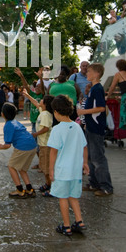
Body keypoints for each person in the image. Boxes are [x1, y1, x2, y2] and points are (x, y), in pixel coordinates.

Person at [48, 95, 89, 237]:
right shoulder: (77, 127)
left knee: (63, 197)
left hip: (62, 171)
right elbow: (84, 146)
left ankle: (66, 226)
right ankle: (79, 221)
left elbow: (53, 152)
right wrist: (85, 163)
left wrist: (50, 169)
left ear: (56, 112)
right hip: (76, 171)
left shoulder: (57, 129)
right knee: (73, 197)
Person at [77, 63, 113, 197]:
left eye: (90, 71)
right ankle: (94, 182)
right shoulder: (93, 88)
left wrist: (83, 111)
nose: (87, 73)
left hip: (96, 127)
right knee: (91, 156)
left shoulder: (97, 88)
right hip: (91, 126)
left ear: (97, 74)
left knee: (98, 157)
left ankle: (106, 186)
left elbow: (101, 108)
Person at [0, 102, 37, 199]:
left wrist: (1, 146)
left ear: (2, 114)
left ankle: (19, 190)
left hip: (23, 147)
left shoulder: (8, 125)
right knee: (22, 168)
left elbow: (7, 145)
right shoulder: (16, 122)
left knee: (11, 166)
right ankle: (30, 189)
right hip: (32, 146)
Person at [23, 89, 54, 195]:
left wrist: (35, 134)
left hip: (46, 145)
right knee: (44, 166)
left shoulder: (46, 115)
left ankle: (52, 187)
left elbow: (45, 128)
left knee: (47, 167)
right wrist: (27, 95)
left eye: (42, 100)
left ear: (45, 104)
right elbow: (35, 103)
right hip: (42, 144)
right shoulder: (43, 112)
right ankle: (48, 184)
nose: (39, 101)